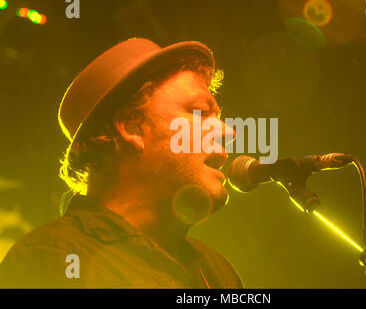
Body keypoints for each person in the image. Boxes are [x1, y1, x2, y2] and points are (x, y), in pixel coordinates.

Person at [0, 38, 243, 288]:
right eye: (200, 112)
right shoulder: (53, 256)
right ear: (132, 126)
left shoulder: (216, 269)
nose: (227, 132)